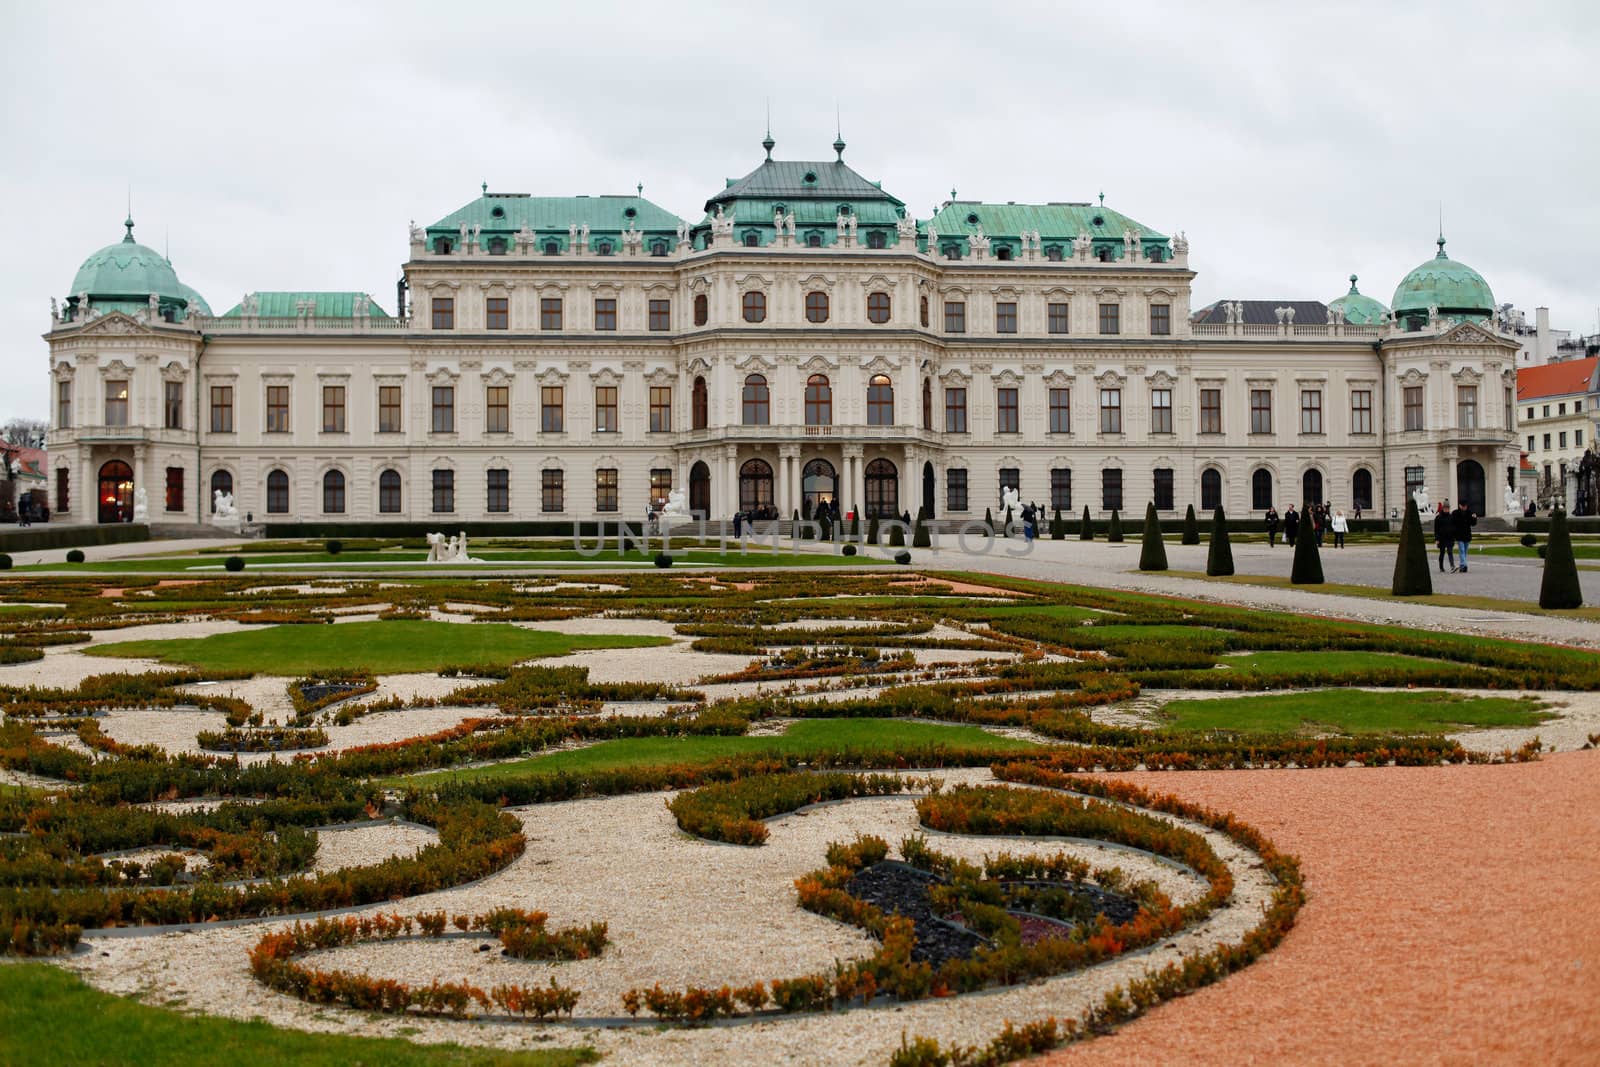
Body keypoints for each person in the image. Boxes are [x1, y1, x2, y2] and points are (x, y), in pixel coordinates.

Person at [1452, 501, 1476, 572]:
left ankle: (1462, 566)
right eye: (1463, 506)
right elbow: (1454, 523)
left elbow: (1473, 524)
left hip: (1467, 535)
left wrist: (1474, 518)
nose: (1465, 507)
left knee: (1465, 551)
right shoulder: (1455, 513)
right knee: (1462, 550)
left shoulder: (1470, 513)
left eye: (1466, 506)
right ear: (1460, 506)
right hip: (1459, 535)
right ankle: (1464, 564)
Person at [1433, 503, 1456, 573]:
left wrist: (1454, 535)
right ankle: (1441, 567)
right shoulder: (1438, 517)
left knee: (1450, 552)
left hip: (1450, 538)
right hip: (1441, 538)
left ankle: (1452, 566)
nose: (1447, 509)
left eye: (1448, 508)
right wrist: (1437, 539)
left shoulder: (1451, 517)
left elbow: (1454, 527)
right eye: (1445, 508)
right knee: (1442, 552)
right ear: (1443, 508)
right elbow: (1436, 529)